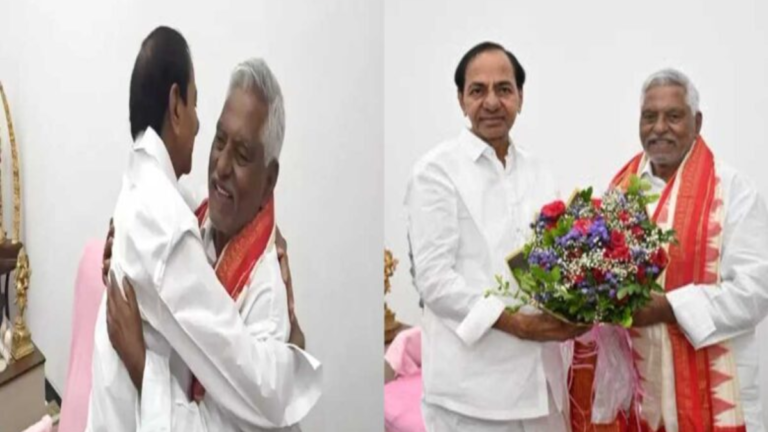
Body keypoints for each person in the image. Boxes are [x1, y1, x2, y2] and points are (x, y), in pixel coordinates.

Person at [86, 27, 321, 432]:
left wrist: (142, 366)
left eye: (243, 154)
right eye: (218, 140)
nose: (221, 166)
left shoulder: (265, 292)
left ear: (269, 180)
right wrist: (123, 252)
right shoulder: (192, 215)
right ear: (176, 107)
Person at [570, 68, 768, 432]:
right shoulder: (619, 192)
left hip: (719, 394)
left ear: (697, 121)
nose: (659, 127)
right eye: (649, 116)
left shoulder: (732, 191)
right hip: (641, 396)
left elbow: (755, 293)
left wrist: (669, 308)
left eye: (673, 116)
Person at [405, 41, 587, 432]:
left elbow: (551, 262)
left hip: (544, 385)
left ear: (520, 97)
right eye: (478, 90)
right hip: (472, 396)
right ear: (460, 100)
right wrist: (517, 324)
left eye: (504, 89)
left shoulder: (540, 172)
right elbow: (434, 280)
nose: (491, 102)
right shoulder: (436, 172)